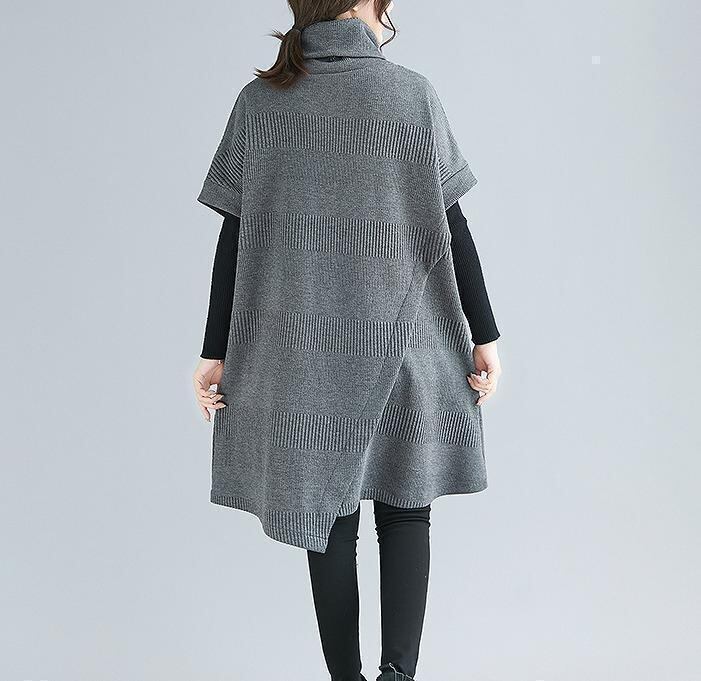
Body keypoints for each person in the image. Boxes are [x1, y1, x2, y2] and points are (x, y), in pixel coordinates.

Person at [191, 2, 502, 680]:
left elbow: (233, 239)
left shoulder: (259, 103)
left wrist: (214, 351)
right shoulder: (411, 95)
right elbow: (452, 225)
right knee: (405, 509)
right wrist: (485, 335)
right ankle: (398, 675)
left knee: (325, 511)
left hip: (302, 356)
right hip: (406, 346)